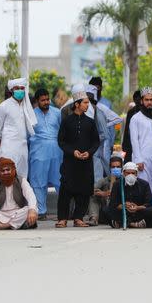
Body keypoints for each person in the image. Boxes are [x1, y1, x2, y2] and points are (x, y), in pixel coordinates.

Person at [56, 89, 100, 228]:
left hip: (86, 162)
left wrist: (89, 152)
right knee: (65, 189)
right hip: (70, 162)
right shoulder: (67, 121)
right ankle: (62, 218)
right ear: (77, 104)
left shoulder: (91, 122)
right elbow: (61, 141)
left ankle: (78, 217)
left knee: (84, 189)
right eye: (85, 103)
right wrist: (72, 151)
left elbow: (96, 142)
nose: (88, 105)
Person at [0, 78, 37, 179]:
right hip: (8, 149)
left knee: (22, 179)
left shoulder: (25, 106)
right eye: (17, 88)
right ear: (12, 90)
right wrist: (2, 151)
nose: (20, 90)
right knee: (7, 178)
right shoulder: (3, 106)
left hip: (23, 149)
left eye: (22, 88)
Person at [128, 87, 152, 197]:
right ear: (142, 101)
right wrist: (138, 159)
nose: (149, 102)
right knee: (144, 186)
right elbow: (134, 140)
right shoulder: (136, 118)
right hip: (143, 159)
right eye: (146, 100)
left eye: (151, 99)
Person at [29, 88, 62, 220]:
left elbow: (62, 131)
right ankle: (41, 211)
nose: (46, 102)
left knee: (59, 180)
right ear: (37, 101)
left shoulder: (57, 113)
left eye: (47, 99)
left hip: (56, 151)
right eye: (43, 100)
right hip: (38, 151)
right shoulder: (31, 114)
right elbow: (28, 134)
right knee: (38, 181)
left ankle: (63, 210)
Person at [0, 157, 38, 230]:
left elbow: (31, 196)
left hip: (17, 213)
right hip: (0, 214)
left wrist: (31, 210)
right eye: (3, 171)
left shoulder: (21, 181)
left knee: (33, 209)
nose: (5, 172)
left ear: (13, 170)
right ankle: (18, 225)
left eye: (8, 170)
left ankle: (2, 226)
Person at [108, 162, 152, 228]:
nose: (130, 175)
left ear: (136, 173)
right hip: (123, 212)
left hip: (138, 212)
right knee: (106, 210)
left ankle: (123, 223)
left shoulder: (144, 184)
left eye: (133, 173)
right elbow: (113, 203)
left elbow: (148, 203)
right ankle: (132, 224)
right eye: (128, 173)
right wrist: (124, 205)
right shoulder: (117, 184)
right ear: (124, 173)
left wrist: (137, 207)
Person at [88, 155, 123, 225]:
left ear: (122, 167)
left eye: (118, 167)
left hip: (120, 209)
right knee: (93, 196)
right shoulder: (105, 180)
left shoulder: (125, 180)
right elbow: (89, 190)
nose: (115, 169)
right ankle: (94, 218)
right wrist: (103, 193)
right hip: (105, 210)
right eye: (113, 167)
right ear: (110, 168)